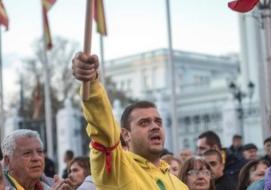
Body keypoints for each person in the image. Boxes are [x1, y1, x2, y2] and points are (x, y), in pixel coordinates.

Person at [72, 52, 188, 190]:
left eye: (158, 122)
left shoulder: (180, 186)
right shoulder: (117, 169)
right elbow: (104, 129)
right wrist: (92, 83)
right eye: (144, 123)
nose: (155, 127)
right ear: (126, 135)